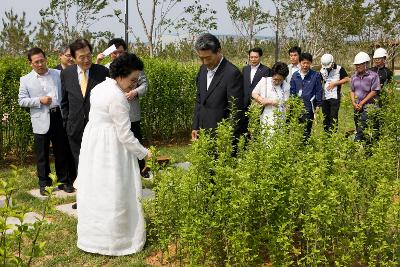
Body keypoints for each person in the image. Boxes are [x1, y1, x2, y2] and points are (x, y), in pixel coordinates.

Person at [76, 53, 151, 256]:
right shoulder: (117, 97)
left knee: (97, 188)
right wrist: (145, 153)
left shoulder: (99, 87)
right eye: (132, 80)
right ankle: (118, 239)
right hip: (112, 147)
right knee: (116, 188)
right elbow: (125, 136)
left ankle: (92, 238)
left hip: (94, 144)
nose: (133, 85)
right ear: (120, 75)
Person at [18, 47, 73, 195]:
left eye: (42, 60)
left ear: (46, 59)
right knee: (42, 154)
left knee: (61, 151)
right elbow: (22, 101)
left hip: (58, 116)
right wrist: (39, 100)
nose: (40, 64)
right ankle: (44, 184)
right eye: (36, 62)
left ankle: (64, 181)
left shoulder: (58, 74)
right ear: (30, 63)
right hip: (40, 119)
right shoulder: (25, 79)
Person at [97, 38, 149, 177]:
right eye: (114, 53)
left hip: (132, 111)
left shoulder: (135, 67)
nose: (118, 55)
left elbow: (144, 84)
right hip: (113, 119)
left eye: (121, 52)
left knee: (135, 137)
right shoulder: (105, 69)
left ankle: (141, 169)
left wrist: (135, 91)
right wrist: (98, 63)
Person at [60, 38, 109, 177]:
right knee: (79, 160)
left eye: (89, 56)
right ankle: (82, 188)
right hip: (75, 126)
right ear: (74, 58)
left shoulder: (102, 72)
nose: (86, 60)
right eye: (82, 57)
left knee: (98, 160)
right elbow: (64, 101)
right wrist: (67, 122)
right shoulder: (66, 73)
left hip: (97, 126)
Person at [191, 33, 244, 141]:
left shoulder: (232, 73)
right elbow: (200, 100)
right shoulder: (202, 70)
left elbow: (236, 111)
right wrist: (196, 126)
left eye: (208, 58)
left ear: (219, 51)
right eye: (201, 58)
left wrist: (228, 139)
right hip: (202, 135)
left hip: (222, 137)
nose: (205, 62)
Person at [290, 52, 323, 140]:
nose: (305, 65)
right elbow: (292, 91)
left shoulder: (315, 75)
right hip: (297, 106)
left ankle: (305, 147)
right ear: (300, 63)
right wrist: (292, 103)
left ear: (310, 63)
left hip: (309, 106)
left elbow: (319, 90)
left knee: (307, 129)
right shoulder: (295, 75)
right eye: (303, 63)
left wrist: (318, 105)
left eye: (307, 63)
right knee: (296, 128)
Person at [350, 51, 380, 143]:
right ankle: (364, 147)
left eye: (359, 64)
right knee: (359, 126)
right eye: (356, 65)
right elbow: (352, 90)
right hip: (357, 107)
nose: (357, 66)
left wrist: (362, 103)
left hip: (370, 107)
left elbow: (374, 91)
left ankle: (355, 147)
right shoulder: (354, 77)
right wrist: (354, 103)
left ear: (365, 64)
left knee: (362, 127)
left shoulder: (373, 76)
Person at [251, 62, 290, 127]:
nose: (277, 82)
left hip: (279, 117)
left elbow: (286, 102)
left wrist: (271, 102)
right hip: (265, 115)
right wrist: (261, 99)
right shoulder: (264, 81)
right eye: (275, 79)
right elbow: (254, 93)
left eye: (280, 80)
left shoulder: (286, 86)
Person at [242, 47, 271, 132]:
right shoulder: (245, 69)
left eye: (256, 57)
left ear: (260, 57)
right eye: (251, 57)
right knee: (244, 124)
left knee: (257, 125)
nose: (253, 59)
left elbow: (267, 87)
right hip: (245, 101)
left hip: (258, 102)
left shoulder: (266, 70)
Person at [319, 54, 350, 132]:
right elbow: (321, 80)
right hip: (324, 96)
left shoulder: (339, 69)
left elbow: (347, 79)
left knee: (333, 116)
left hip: (334, 97)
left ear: (333, 62)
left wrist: (335, 83)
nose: (328, 68)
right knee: (325, 116)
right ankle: (326, 134)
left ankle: (333, 135)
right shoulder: (322, 69)